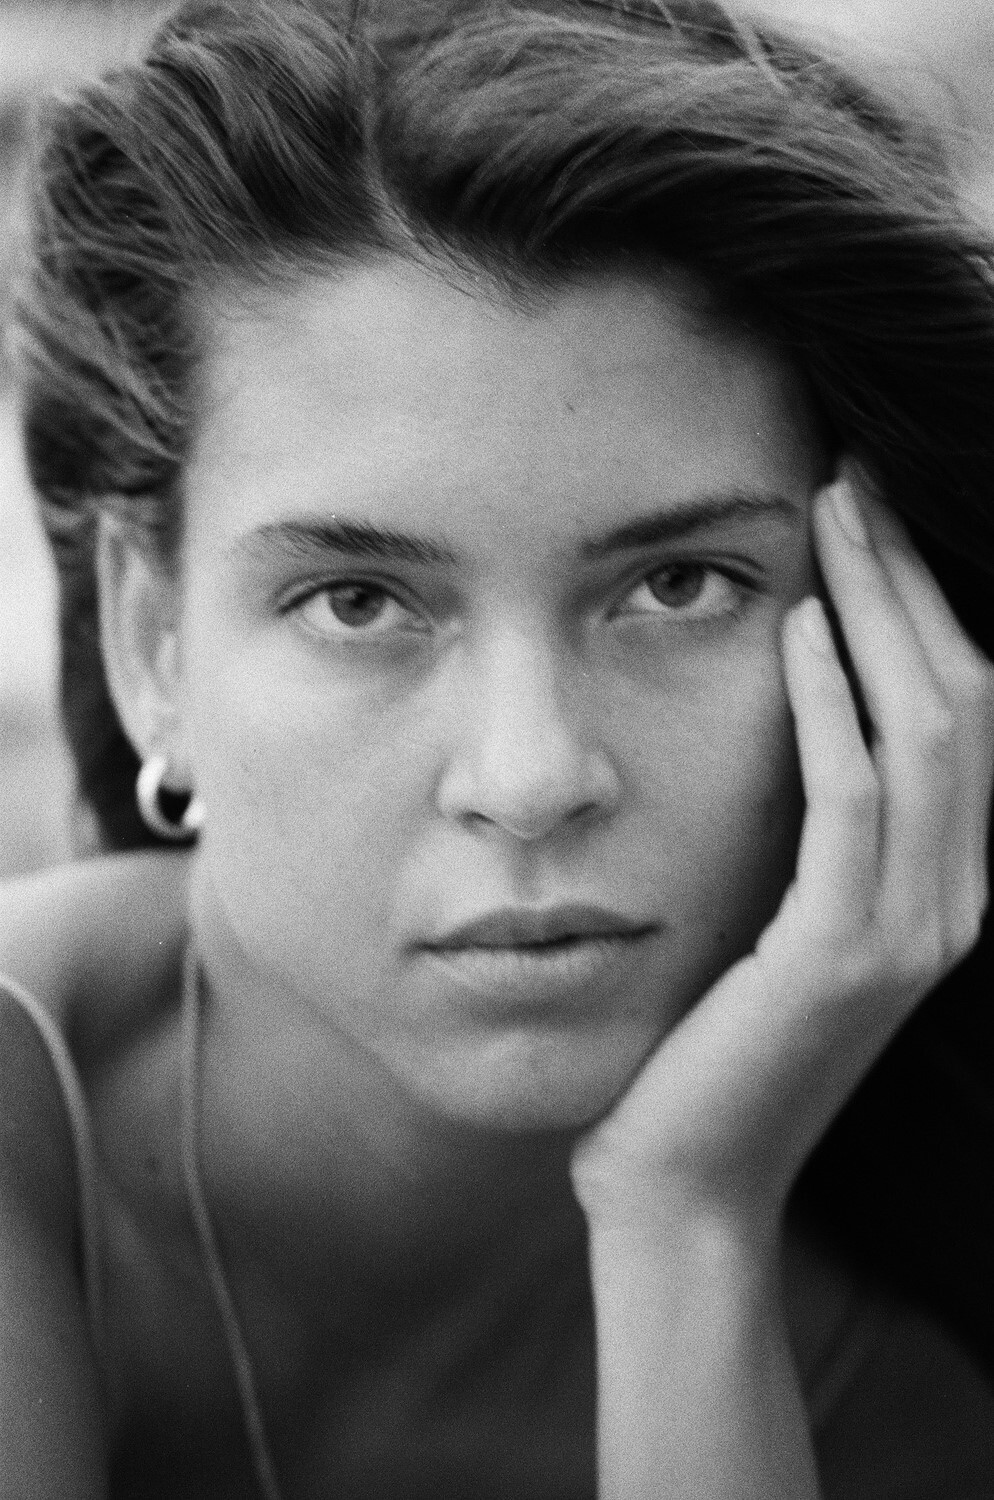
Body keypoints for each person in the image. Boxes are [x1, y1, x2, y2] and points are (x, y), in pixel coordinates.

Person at [3, 0, 994, 1494]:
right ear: (153, 646)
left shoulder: (922, 1378)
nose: (529, 779)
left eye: (679, 586)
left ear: (887, 637)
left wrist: (685, 1223)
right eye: (356, 601)